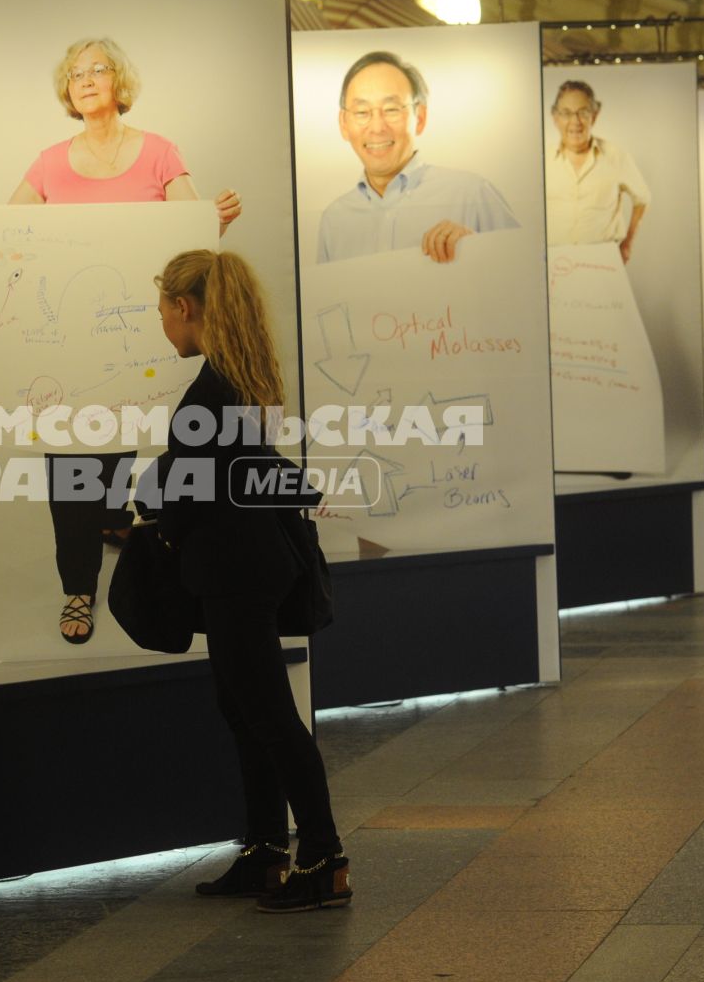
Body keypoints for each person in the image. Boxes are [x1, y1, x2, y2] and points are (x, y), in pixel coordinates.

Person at [0, 35, 241, 645]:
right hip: (60, 342)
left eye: (97, 69)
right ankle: (77, 588)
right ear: (67, 89)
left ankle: (112, 519)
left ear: (118, 82)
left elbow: (192, 233)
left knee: (127, 441)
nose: (85, 79)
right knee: (69, 465)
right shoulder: (50, 162)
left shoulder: (159, 153)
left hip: (142, 338)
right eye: (75, 72)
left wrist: (217, 216)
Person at [146, 249, 350, 913]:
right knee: (245, 709)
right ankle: (266, 849)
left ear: (184, 308)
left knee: (267, 714)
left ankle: (322, 856)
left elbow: (187, 481)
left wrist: (146, 510)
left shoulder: (214, 388)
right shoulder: (234, 375)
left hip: (236, 571)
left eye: (162, 311)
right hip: (243, 564)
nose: (162, 325)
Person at [316, 50, 517, 265]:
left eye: (391, 109)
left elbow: (524, 277)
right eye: (362, 112)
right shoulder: (333, 220)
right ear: (343, 124)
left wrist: (476, 251)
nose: (377, 127)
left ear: (420, 118)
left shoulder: (473, 196)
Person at [544, 80, 650, 260]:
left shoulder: (616, 156)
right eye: (566, 113)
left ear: (595, 115)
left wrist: (627, 243)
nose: (575, 121)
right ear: (555, 118)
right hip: (555, 262)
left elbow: (642, 198)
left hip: (603, 260)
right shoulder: (542, 160)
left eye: (583, 112)